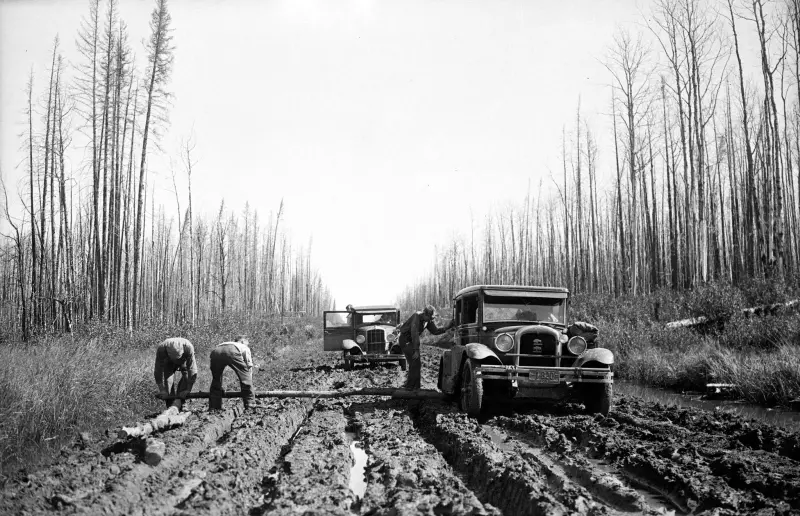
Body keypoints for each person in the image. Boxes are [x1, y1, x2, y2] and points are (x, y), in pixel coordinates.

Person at [396, 304, 455, 390]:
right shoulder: (416, 317)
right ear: (425, 314)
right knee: (414, 362)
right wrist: (416, 350)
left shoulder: (427, 321)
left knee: (417, 363)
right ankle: (410, 387)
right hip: (405, 340)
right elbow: (414, 333)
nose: (431, 320)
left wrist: (448, 327)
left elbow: (435, 331)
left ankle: (415, 387)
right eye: (430, 318)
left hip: (411, 341)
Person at [209, 335, 255, 410]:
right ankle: (250, 404)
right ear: (243, 341)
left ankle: (214, 406)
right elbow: (249, 366)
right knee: (245, 378)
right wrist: (249, 381)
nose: (247, 345)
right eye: (247, 343)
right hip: (232, 351)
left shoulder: (226, 343)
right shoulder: (243, 346)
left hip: (216, 351)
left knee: (216, 379)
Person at [154, 337, 198, 409]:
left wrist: (188, 390)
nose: (176, 361)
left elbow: (192, 369)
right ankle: (170, 404)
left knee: (186, 376)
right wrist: (162, 390)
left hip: (184, 360)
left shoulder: (188, 347)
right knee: (168, 379)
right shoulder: (162, 349)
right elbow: (158, 370)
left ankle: (182, 401)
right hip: (168, 361)